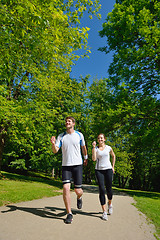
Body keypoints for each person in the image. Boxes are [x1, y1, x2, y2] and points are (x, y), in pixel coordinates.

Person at [51, 116, 88, 224]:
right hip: (66, 166)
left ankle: (79, 197)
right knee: (66, 188)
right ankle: (69, 213)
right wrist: (53, 144)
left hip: (77, 165)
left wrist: (86, 157)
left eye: (69, 121)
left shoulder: (79, 135)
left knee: (78, 190)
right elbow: (55, 151)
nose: (67, 122)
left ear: (73, 124)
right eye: (66, 121)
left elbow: (83, 147)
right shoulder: (61, 136)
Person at [92, 133, 116, 221]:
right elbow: (94, 159)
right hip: (99, 170)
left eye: (101, 138)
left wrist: (113, 167)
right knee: (102, 190)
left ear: (104, 139)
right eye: (98, 138)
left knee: (109, 189)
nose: (100, 139)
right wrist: (94, 147)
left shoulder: (109, 148)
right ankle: (104, 212)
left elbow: (113, 156)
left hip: (108, 169)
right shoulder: (96, 149)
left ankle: (110, 204)